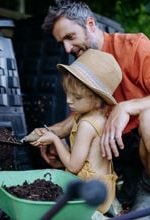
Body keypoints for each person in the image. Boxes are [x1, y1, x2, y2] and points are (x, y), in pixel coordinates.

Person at [32, 0, 150, 218]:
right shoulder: (84, 63)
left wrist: (127, 107)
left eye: (70, 37)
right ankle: (117, 191)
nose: (67, 49)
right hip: (121, 148)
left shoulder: (134, 46)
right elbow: (81, 113)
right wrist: (52, 133)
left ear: (90, 24)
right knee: (86, 130)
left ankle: (149, 192)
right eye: (62, 43)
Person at [30, 49, 121, 217]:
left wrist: (56, 140)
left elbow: (73, 167)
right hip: (101, 187)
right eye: (67, 93)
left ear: (97, 99)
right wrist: (51, 133)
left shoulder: (87, 124)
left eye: (77, 97)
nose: (68, 100)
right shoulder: (95, 115)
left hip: (90, 192)